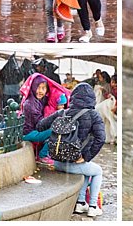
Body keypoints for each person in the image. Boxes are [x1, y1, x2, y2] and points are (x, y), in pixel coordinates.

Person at [35, 82, 106, 218]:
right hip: (73, 164)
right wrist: (86, 157)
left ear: (73, 97)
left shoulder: (62, 113)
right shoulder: (93, 115)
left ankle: (80, 203)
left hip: (57, 162)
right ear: (91, 98)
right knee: (97, 171)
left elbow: (40, 126)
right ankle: (92, 206)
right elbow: (101, 138)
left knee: (86, 170)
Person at [19, 73, 70, 165]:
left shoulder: (39, 100)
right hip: (28, 133)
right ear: (33, 88)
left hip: (34, 130)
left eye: (43, 88)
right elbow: (40, 124)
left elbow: (54, 94)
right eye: (38, 87)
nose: (40, 91)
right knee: (58, 130)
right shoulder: (30, 104)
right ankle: (42, 156)